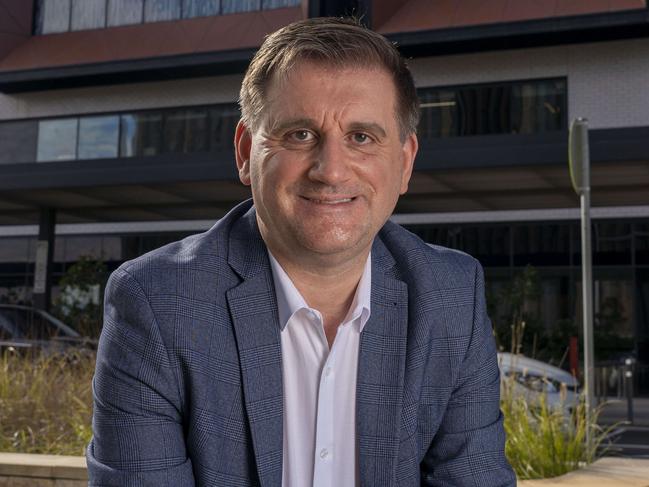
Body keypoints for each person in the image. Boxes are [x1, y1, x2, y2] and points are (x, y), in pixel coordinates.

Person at [87, 17, 516, 487]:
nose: (331, 171)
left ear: (406, 161)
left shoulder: (451, 294)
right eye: (299, 134)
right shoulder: (156, 303)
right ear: (246, 151)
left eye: (361, 137)